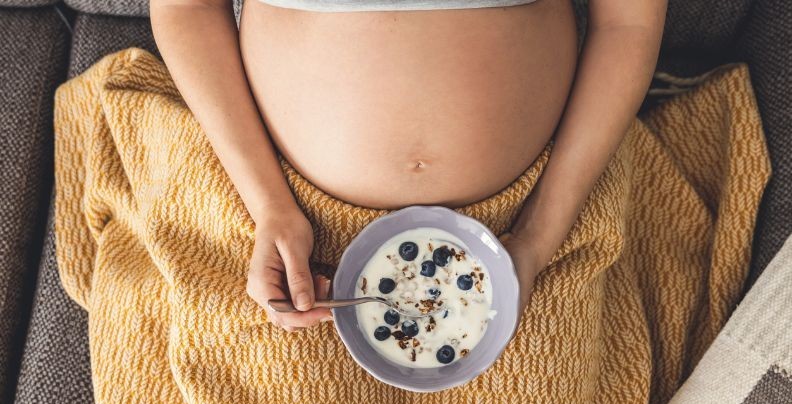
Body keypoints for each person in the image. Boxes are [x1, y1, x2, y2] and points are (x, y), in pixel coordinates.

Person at [150, 0, 666, 331]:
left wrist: (538, 236)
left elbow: (628, 22)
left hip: (537, 215)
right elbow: (185, 8)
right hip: (283, 212)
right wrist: (270, 208)